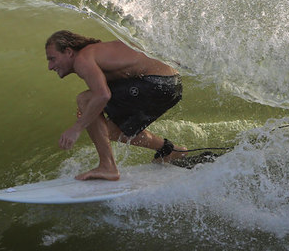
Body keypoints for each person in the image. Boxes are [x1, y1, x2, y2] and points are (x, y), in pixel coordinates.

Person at [45, 30, 187, 181]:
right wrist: (88, 114)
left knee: (85, 100)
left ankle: (107, 167)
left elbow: (103, 95)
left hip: (157, 82)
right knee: (110, 130)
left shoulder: (82, 59)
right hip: (171, 84)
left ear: (68, 52)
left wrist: (76, 128)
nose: (50, 66)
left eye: (52, 59)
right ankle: (170, 150)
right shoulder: (96, 53)